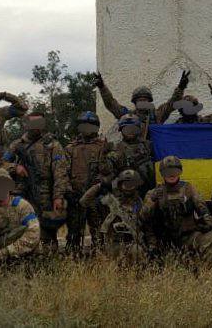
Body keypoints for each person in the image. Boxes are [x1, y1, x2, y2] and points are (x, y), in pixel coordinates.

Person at [2, 114, 70, 252]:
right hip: (21, 191)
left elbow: (60, 172)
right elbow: (0, 164)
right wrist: (15, 167)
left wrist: (58, 196)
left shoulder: (52, 145)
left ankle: (48, 257)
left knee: (46, 228)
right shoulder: (17, 145)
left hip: (45, 192)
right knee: (21, 226)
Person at [139, 156, 212, 262]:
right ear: (162, 174)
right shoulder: (154, 193)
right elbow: (143, 217)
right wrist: (152, 200)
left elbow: (202, 209)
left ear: (179, 172)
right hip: (164, 240)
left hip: (188, 237)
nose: (171, 175)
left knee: (211, 238)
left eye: (174, 172)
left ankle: (206, 270)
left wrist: (207, 225)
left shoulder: (189, 189)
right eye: (168, 173)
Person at [64, 111, 112, 254]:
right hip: (76, 196)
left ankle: (100, 258)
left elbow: (109, 171)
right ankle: (73, 257)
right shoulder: (70, 148)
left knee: (99, 231)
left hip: (96, 196)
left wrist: (102, 186)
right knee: (74, 232)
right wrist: (69, 191)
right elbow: (63, 172)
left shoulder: (103, 147)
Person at [80, 169, 147, 263]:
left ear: (137, 185)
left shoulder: (139, 203)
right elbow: (83, 202)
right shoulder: (111, 201)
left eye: (131, 184)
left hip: (133, 244)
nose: (128, 188)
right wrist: (99, 186)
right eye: (125, 184)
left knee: (137, 252)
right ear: (120, 185)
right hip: (112, 244)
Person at [94, 70, 190, 131]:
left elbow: (172, 104)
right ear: (135, 102)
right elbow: (111, 104)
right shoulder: (127, 115)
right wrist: (102, 87)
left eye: (145, 100)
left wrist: (181, 87)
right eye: (140, 100)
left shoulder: (157, 115)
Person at [106, 114, 155, 196]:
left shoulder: (147, 146)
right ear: (121, 130)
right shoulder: (116, 149)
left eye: (133, 129)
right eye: (127, 130)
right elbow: (109, 174)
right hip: (125, 192)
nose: (130, 133)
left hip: (147, 189)